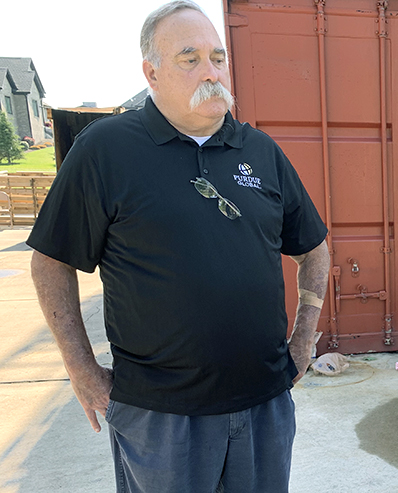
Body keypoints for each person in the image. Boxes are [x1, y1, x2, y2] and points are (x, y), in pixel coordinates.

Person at [28, 1, 330, 491]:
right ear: (151, 71)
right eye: (189, 59)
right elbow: (51, 262)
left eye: (217, 56)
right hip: (160, 418)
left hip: (263, 406)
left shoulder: (259, 151)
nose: (210, 71)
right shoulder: (106, 150)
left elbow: (313, 249)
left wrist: (304, 340)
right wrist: (80, 367)